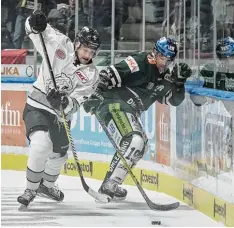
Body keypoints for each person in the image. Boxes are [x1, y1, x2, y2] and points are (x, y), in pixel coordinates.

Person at [83, 36, 192, 201]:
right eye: (162, 57)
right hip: (113, 104)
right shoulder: (140, 61)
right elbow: (108, 74)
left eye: (169, 59)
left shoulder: (166, 78)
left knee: (139, 145)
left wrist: (179, 83)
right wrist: (95, 94)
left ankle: (110, 183)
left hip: (129, 111)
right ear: (155, 53)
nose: (164, 62)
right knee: (134, 140)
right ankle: (111, 183)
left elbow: (174, 101)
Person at [17, 10, 101, 207]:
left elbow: (78, 101)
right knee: (40, 145)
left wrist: (65, 103)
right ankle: (30, 189)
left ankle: (47, 185)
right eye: (85, 50)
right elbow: (35, 31)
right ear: (77, 44)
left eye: (92, 52)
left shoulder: (91, 74)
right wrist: (34, 22)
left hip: (60, 115)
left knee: (60, 154)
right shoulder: (59, 43)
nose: (87, 55)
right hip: (37, 106)